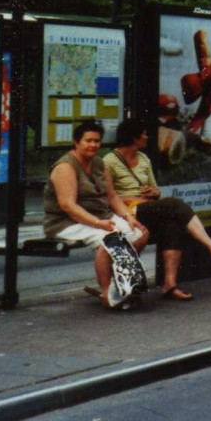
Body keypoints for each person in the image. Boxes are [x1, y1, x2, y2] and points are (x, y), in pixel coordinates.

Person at [103, 118, 211, 302]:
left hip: (148, 209)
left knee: (173, 225)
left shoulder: (144, 159)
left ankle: (170, 285)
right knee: (175, 205)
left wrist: (154, 192)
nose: (147, 137)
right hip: (127, 213)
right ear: (134, 138)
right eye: (144, 134)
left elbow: (156, 191)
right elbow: (109, 197)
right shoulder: (109, 161)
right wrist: (132, 199)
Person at [44, 120, 149, 308]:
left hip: (100, 216)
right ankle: (106, 292)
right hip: (67, 222)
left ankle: (122, 284)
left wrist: (129, 217)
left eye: (97, 141)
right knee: (110, 239)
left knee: (140, 233)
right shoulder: (65, 167)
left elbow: (113, 196)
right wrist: (98, 223)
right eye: (88, 141)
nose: (93, 145)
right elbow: (68, 206)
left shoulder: (99, 163)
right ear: (76, 142)